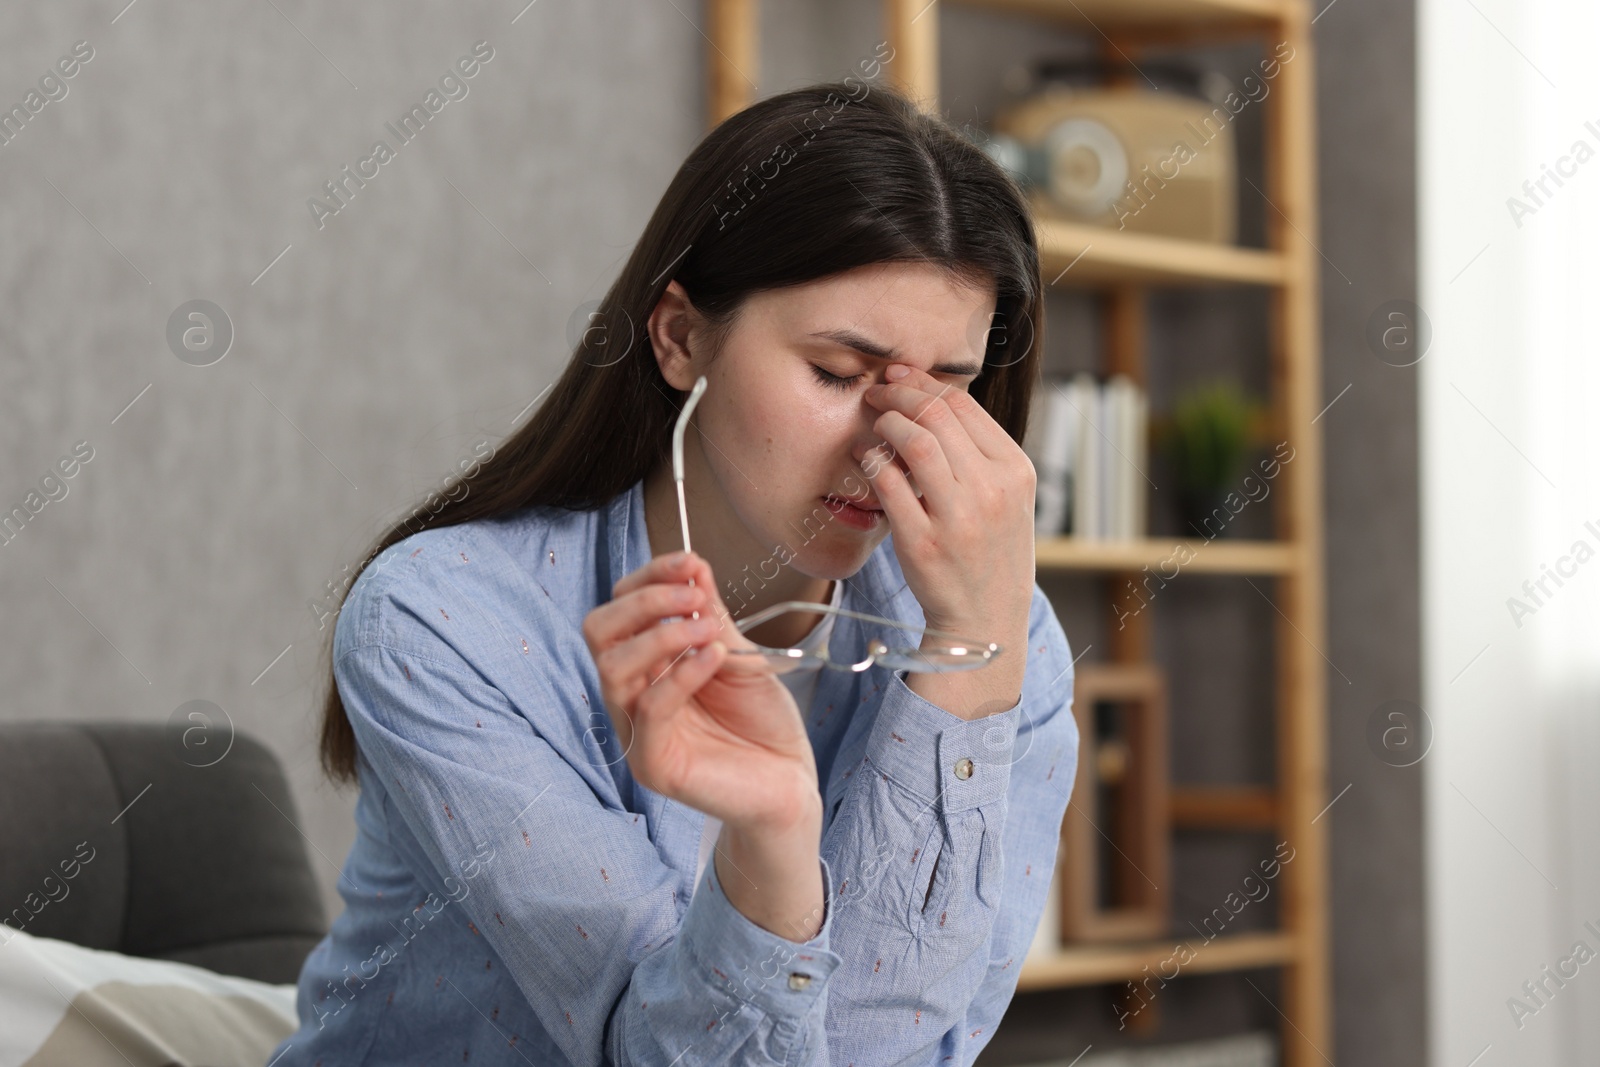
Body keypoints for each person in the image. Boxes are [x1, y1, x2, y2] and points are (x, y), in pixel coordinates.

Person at [267, 78, 1079, 1067]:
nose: (893, 443)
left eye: (948, 388)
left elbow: (885, 1048)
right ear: (680, 337)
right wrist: (771, 853)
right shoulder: (444, 620)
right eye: (835, 372)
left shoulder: (1000, 638)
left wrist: (965, 669)